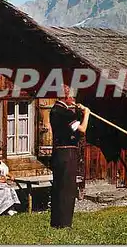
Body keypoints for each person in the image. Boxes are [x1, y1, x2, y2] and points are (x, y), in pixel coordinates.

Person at [49, 85, 90, 228]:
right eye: (72, 97)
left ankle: (56, 222)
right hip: (68, 153)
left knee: (59, 187)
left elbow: (70, 127)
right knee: (68, 188)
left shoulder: (55, 110)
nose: (74, 100)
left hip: (59, 153)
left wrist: (77, 112)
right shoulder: (65, 113)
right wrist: (87, 113)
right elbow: (82, 130)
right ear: (66, 97)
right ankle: (65, 223)